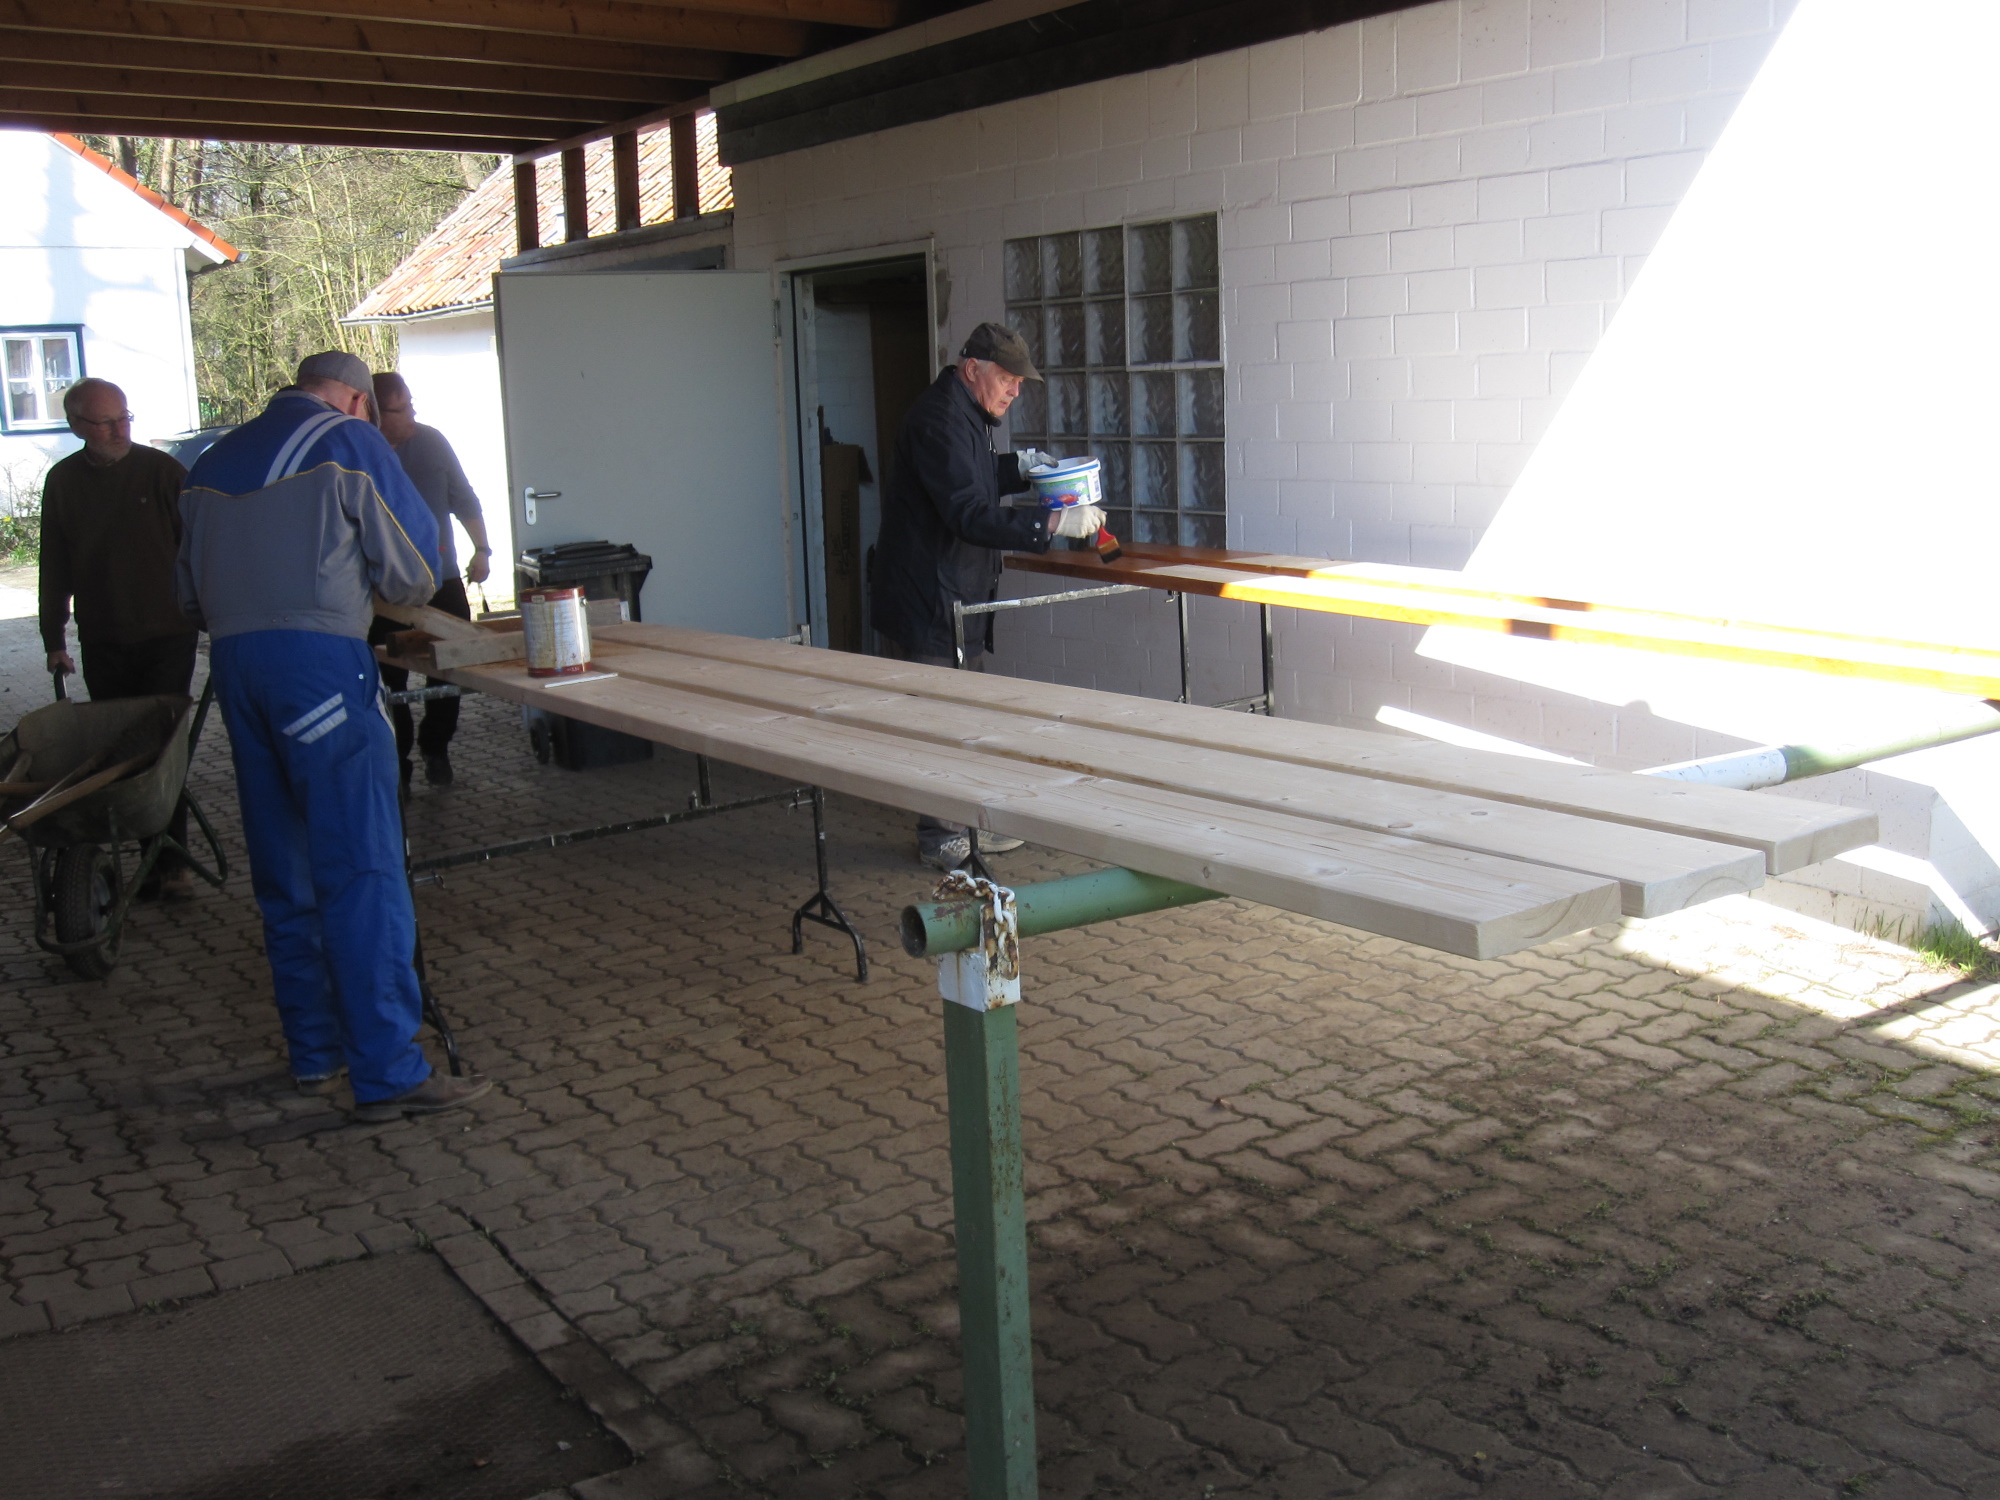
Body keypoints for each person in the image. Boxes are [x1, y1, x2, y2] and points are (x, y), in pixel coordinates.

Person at [177, 351, 490, 1121]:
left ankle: (314, 1054)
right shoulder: (347, 442)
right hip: (318, 667)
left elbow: (187, 595)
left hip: (237, 671)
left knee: (285, 871)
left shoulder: (209, 462)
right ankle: (388, 1070)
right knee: (361, 868)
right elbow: (415, 568)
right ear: (356, 401)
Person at [869, 321, 1106, 870]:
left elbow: (971, 478)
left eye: (1020, 382)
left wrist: (1019, 470)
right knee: (941, 726)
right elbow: (968, 512)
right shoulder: (938, 421)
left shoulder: (966, 414)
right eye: (1007, 379)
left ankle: (966, 824)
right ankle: (941, 838)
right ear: (972, 369)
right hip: (928, 603)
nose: (1015, 391)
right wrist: (1051, 523)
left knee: (967, 720)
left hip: (956, 598)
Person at [38, 377, 201, 897]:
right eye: (106, 422)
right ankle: (148, 859)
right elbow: (54, 562)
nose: (119, 430)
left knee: (161, 750)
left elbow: (198, 545)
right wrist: (53, 638)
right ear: (77, 426)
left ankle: (171, 863)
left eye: (124, 418)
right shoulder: (64, 481)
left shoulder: (162, 472)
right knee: (120, 755)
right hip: (104, 637)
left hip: (166, 633)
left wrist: (212, 612)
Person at [367, 372, 494, 788]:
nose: (412, 414)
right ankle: (397, 762)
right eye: (402, 408)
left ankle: (436, 746)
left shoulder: (432, 442)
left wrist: (482, 549)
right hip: (383, 592)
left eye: (411, 404)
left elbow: (464, 498)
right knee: (389, 680)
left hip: (441, 579)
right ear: (376, 414)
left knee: (452, 664)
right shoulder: (359, 453)